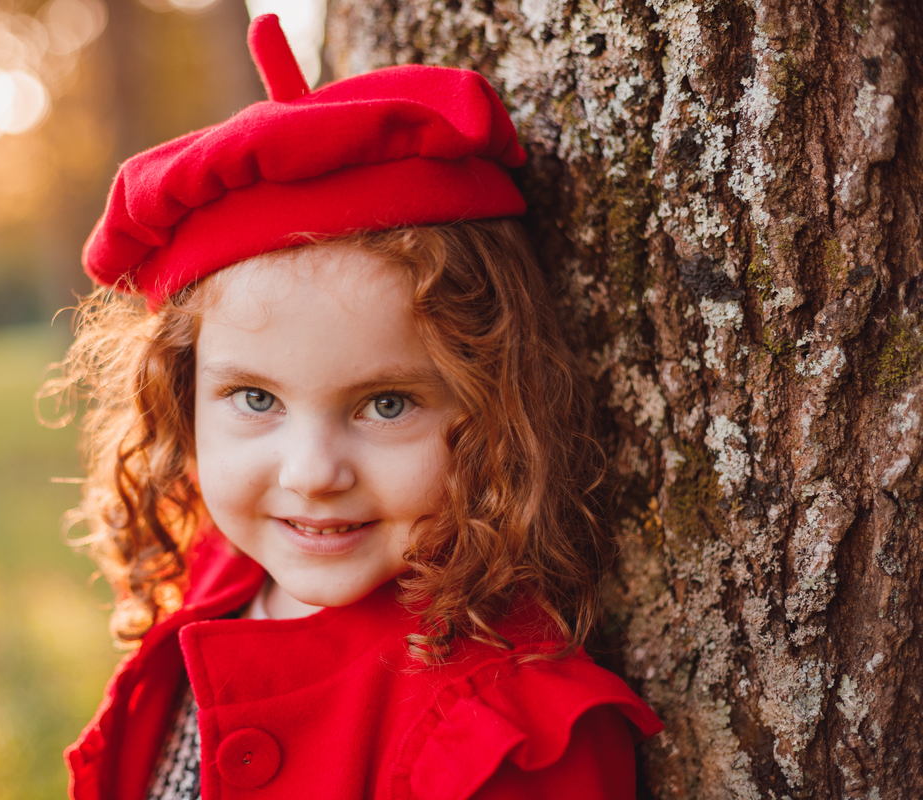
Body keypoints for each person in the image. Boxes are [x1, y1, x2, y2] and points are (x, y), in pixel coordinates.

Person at [51, 14, 662, 800]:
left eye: (384, 404)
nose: (311, 474)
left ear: (494, 406)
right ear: (181, 398)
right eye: (255, 397)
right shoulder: (222, 574)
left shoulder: (509, 740)